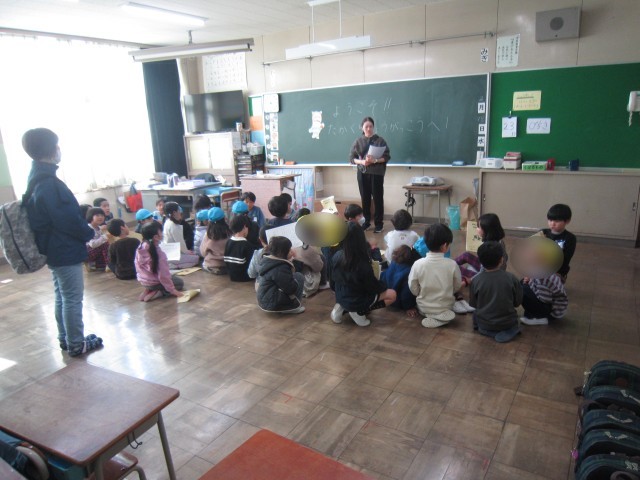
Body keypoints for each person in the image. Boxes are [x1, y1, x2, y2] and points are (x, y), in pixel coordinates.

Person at [22, 127, 102, 356]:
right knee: (72, 298)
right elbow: (68, 219)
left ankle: (66, 338)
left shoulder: (36, 178)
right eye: (57, 145)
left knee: (62, 296)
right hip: (64, 249)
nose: (59, 149)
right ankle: (76, 343)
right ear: (52, 149)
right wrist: (89, 234)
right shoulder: (50, 184)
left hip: (52, 248)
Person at [330, 223, 397, 326]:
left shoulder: (337, 255)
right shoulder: (362, 263)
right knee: (392, 294)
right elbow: (372, 287)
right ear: (361, 238)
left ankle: (342, 306)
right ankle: (359, 311)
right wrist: (384, 285)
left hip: (340, 295)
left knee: (350, 293)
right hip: (356, 300)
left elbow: (332, 281)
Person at [408, 223, 462, 328]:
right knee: (447, 309)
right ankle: (442, 319)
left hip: (423, 307)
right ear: (444, 246)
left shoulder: (418, 264)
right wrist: (449, 292)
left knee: (426, 309)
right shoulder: (452, 264)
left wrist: (419, 293)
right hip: (446, 307)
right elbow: (457, 285)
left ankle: (431, 316)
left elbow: (412, 286)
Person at [469, 241, 523, 342]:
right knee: (514, 320)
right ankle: (509, 331)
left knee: (475, 315)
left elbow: (473, 304)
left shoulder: (475, 280)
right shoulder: (511, 278)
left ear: (481, 262)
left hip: (484, 324)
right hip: (508, 323)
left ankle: (488, 331)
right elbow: (517, 302)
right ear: (501, 260)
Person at [348, 116, 390, 233]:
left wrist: (375, 160)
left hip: (377, 174)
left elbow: (387, 157)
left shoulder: (380, 141)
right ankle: (366, 222)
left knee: (377, 199)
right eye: (366, 126)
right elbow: (351, 159)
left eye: (371, 126)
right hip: (362, 173)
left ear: (373, 127)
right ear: (362, 128)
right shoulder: (358, 141)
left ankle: (379, 224)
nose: (368, 129)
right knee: (365, 199)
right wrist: (362, 162)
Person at [135, 221, 184, 302]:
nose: (162, 233)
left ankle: (148, 289)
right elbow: (163, 276)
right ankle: (158, 292)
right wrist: (173, 291)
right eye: (161, 231)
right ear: (156, 237)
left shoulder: (140, 247)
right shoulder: (159, 254)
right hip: (155, 283)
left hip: (143, 281)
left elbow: (137, 266)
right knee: (179, 283)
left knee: (170, 278)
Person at [455, 213, 508, 286]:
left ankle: (448, 267)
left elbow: (482, 273)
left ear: (487, 230)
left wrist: (469, 281)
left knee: (457, 269)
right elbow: (506, 257)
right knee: (466, 255)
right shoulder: (500, 241)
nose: (476, 229)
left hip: (488, 278)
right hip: (493, 269)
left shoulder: (488, 249)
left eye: (479, 227)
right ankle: (448, 264)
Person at [256, 236, 305, 314]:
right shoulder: (281, 267)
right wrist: (294, 261)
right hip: (273, 304)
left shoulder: (268, 261)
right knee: (299, 277)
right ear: (282, 253)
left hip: (264, 300)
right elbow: (291, 288)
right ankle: (293, 306)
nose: (292, 251)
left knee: (292, 278)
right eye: (289, 250)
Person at [540, 203, 576, 283]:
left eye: (557, 221)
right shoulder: (543, 233)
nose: (552, 223)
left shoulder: (570, 238)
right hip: (540, 268)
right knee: (524, 284)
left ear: (567, 221)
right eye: (550, 220)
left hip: (558, 271)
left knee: (546, 285)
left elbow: (565, 260)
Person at [380, 245, 418, 317]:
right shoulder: (409, 271)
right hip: (397, 301)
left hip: (386, 296)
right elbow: (406, 293)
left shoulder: (393, 262)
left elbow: (384, 276)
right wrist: (409, 307)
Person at [162, 201, 199, 269]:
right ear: (174, 213)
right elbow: (180, 243)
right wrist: (187, 252)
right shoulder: (174, 226)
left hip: (167, 253)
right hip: (174, 255)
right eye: (178, 210)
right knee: (196, 258)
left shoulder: (167, 222)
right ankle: (175, 266)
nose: (180, 212)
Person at [224, 215, 255, 282]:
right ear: (244, 227)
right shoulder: (247, 245)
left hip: (231, 276)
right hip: (244, 277)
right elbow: (252, 265)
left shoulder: (228, 242)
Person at [200, 207, 230, 275]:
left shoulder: (208, 235)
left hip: (211, 265)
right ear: (224, 219)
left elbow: (203, 252)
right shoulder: (229, 233)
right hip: (226, 265)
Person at [248, 224, 275, 290]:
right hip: (279, 287)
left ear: (260, 239)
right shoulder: (283, 252)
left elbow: (251, 274)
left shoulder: (257, 254)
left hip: (261, 287)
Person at [85, 207, 110, 271]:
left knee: (106, 244)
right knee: (105, 244)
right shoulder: (88, 228)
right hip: (86, 253)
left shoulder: (98, 228)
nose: (100, 217)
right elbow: (92, 244)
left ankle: (94, 265)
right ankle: (109, 265)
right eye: (97, 215)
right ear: (91, 216)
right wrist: (105, 236)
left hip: (93, 251)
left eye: (102, 215)